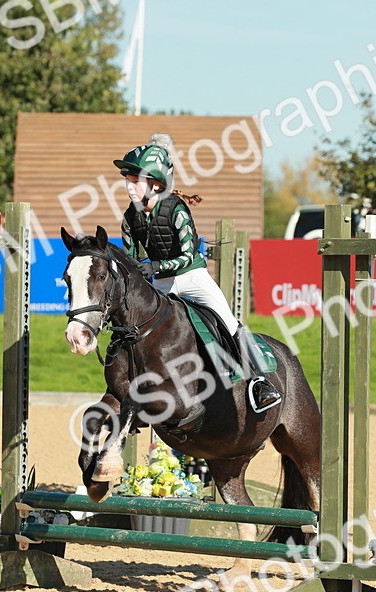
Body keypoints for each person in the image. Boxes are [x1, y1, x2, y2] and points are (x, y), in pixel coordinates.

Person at [114, 133, 282, 411]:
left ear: (155, 185)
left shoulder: (176, 209)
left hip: (193, 277)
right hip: (163, 285)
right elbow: (131, 258)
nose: (129, 187)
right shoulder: (130, 217)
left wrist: (155, 266)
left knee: (229, 321)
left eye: (135, 181)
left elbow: (189, 254)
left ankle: (260, 383)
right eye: (127, 181)